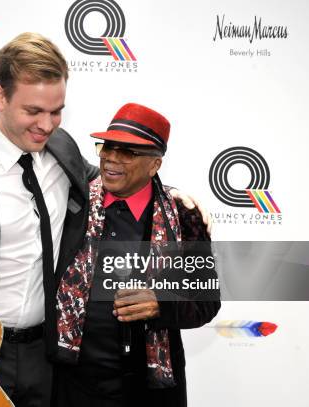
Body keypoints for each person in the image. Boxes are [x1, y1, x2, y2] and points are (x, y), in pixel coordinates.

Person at [0, 34, 209, 407]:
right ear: (0, 96)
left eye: (57, 111)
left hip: (49, 356)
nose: (46, 124)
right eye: (33, 111)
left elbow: (120, 178)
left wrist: (176, 198)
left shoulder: (63, 150)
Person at [55, 103, 221, 407]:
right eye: (107, 147)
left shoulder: (184, 216)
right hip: (75, 383)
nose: (111, 158)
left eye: (128, 152)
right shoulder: (71, 202)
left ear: (154, 165)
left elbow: (206, 303)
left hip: (149, 390)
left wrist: (161, 303)